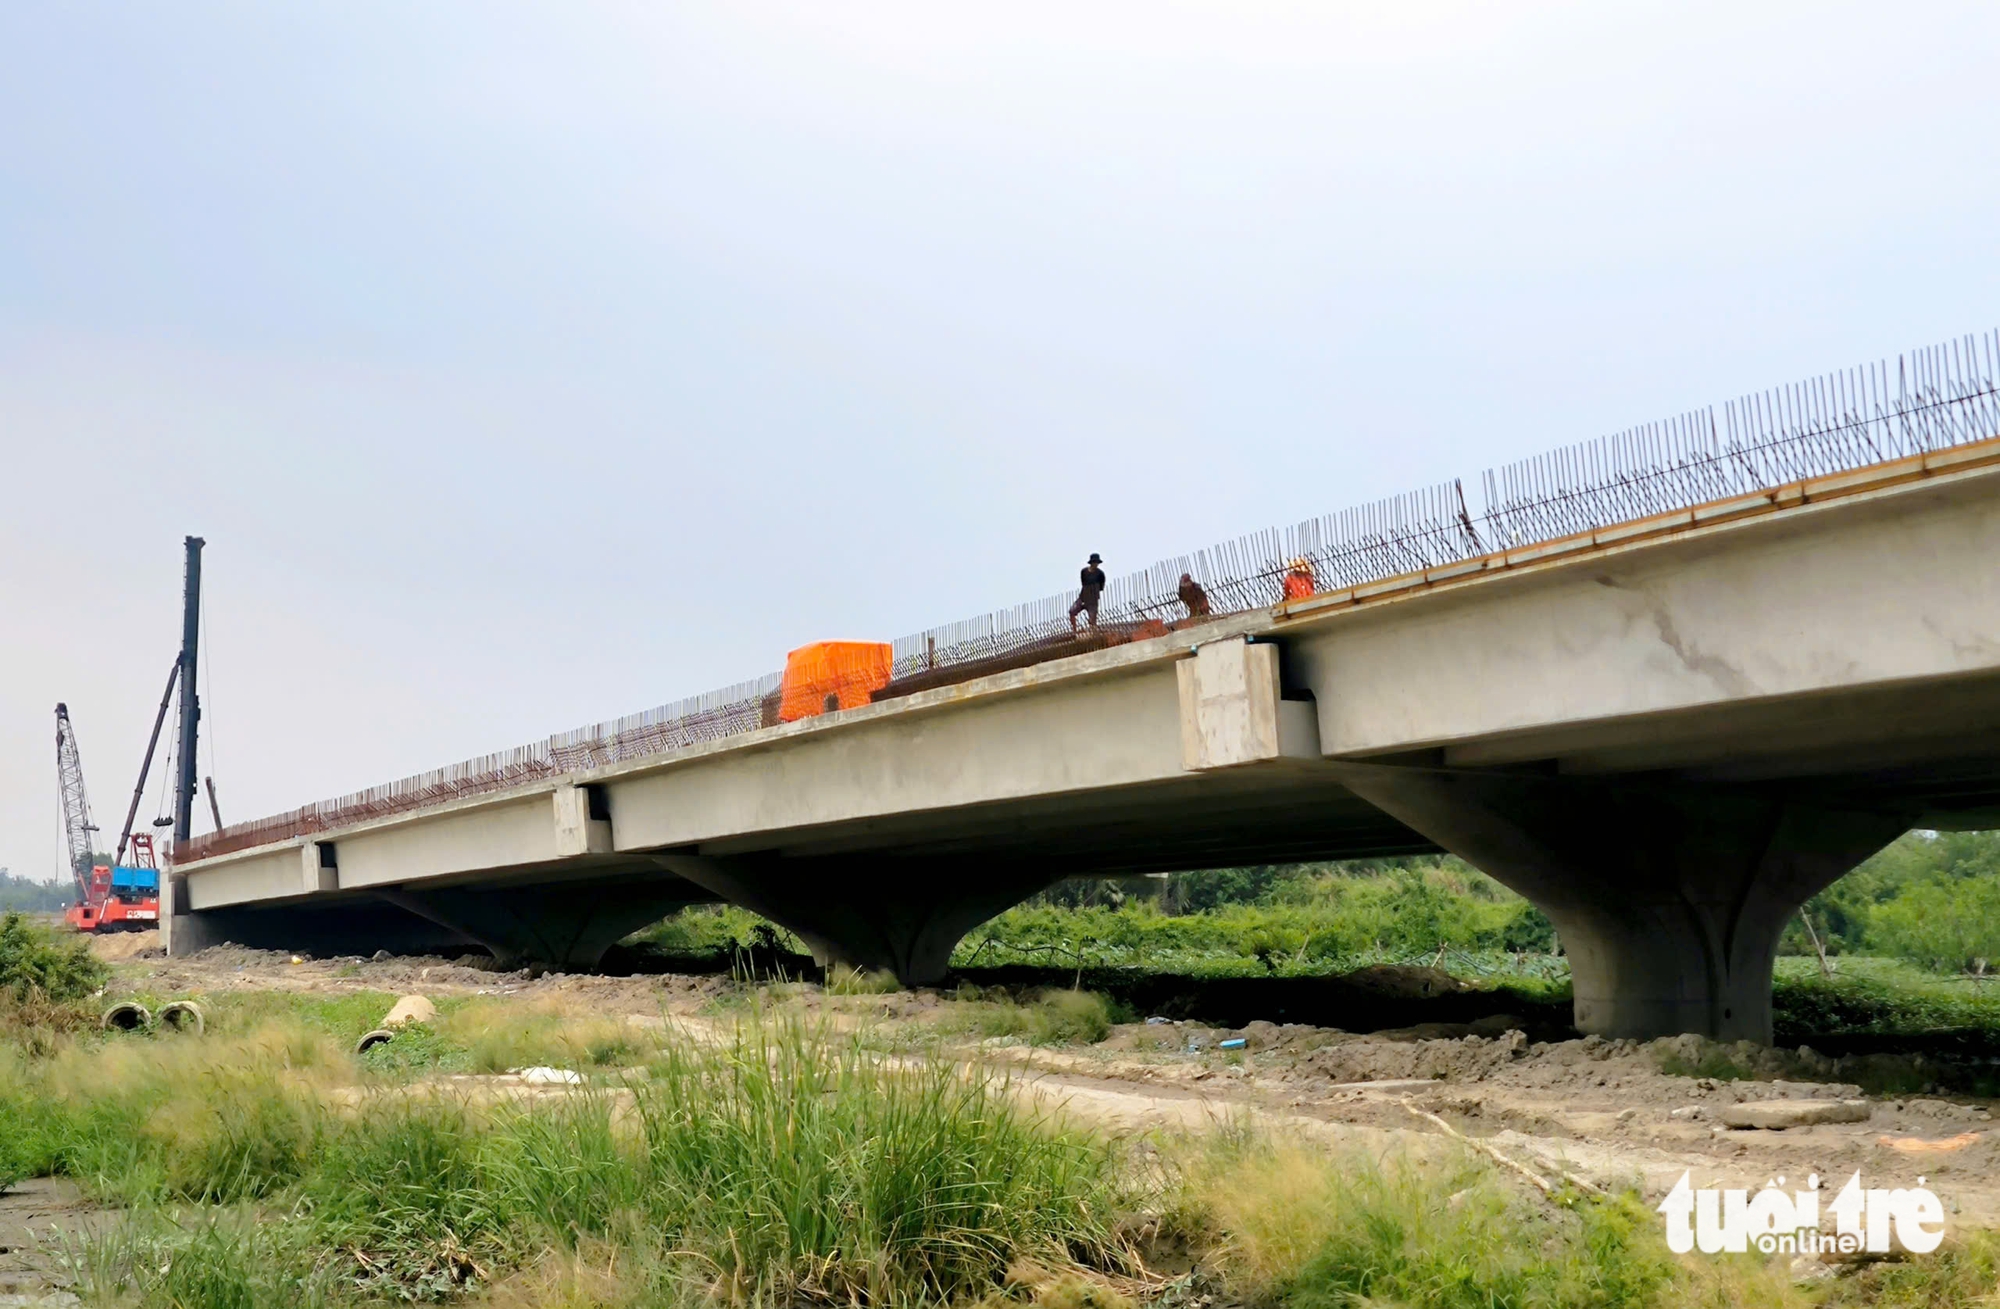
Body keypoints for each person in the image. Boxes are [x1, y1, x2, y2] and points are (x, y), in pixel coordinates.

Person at [1069, 552, 1107, 631]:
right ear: (1091, 563)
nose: (1096, 564)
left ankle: (1093, 633)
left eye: (1097, 563)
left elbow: (1101, 587)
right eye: (1094, 562)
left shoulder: (1100, 574)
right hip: (1083, 597)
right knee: (1072, 611)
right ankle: (1074, 630)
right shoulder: (1084, 572)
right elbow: (1083, 583)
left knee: (1092, 619)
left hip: (1093, 600)